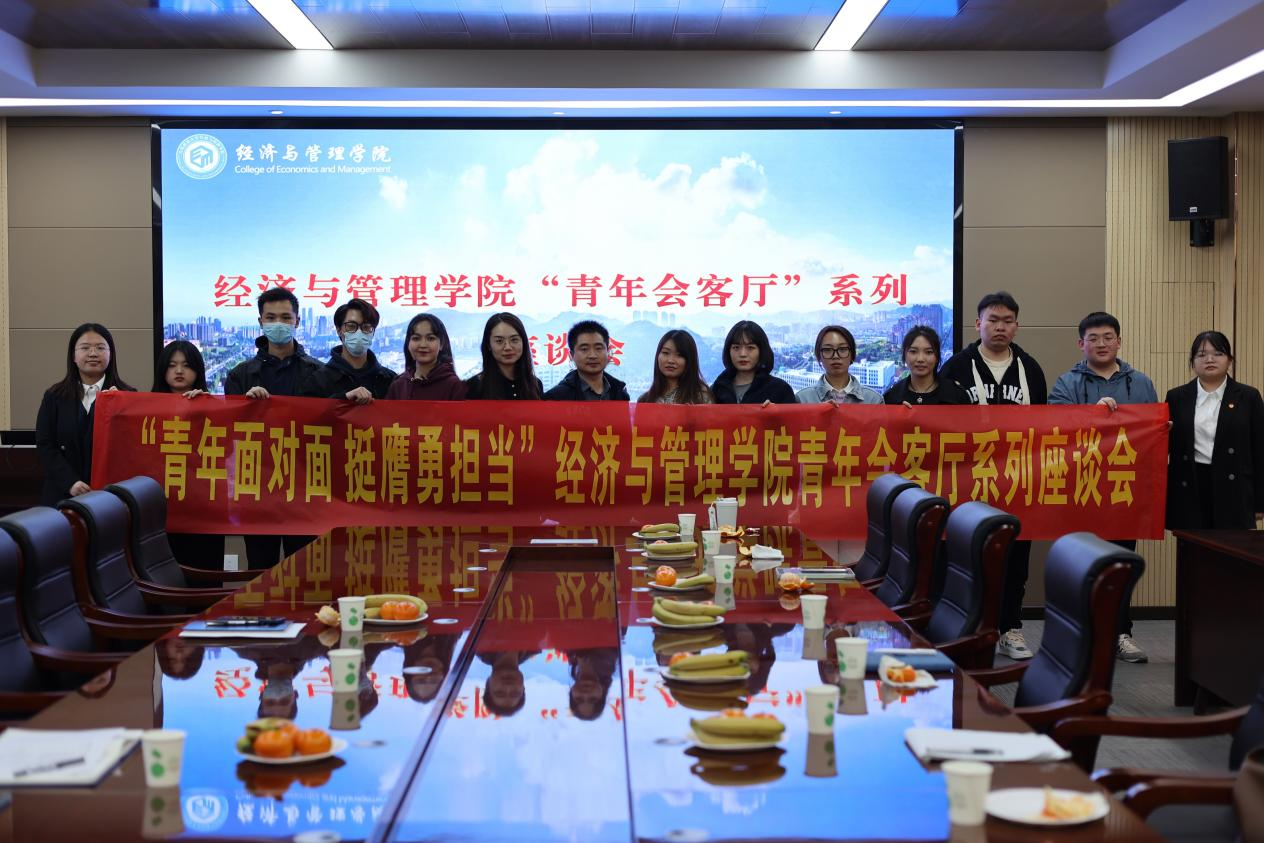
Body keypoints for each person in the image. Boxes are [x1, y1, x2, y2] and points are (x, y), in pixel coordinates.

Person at [941, 291, 1047, 663]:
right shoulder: (956, 367)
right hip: (969, 480)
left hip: (1019, 478)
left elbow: (1047, 424)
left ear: (1016, 326)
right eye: (993, 320)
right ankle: (970, 628)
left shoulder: (1030, 369)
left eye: (1007, 321)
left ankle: (1010, 628)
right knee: (968, 554)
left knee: (1015, 555)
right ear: (978, 324)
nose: (1000, 327)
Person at [1049, 311, 1158, 664]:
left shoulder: (1141, 383)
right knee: (1079, 564)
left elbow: (1152, 432)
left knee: (1120, 564)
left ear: (1119, 342)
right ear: (1080, 344)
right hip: (1081, 489)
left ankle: (1120, 634)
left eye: (1108, 337)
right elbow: (1055, 430)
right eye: (1093, 338)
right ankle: (1079, 634)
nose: (1101, 344)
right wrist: (1091, 415)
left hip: (1125, 489)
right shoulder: (1066, 383)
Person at [223, 288, 322, 569]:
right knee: (259, 571)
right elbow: (227, 432)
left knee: (305, 572)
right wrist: (245, 408)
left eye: (285, 317)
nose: (278, 324)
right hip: (257, 488)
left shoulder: (319, 373)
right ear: (260, 322)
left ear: (297, 321)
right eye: (271, 317)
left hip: (304, 490)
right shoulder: (240, 375)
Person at [1166, 330, 1264, 530]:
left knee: (1231, 547)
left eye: (1218, 353)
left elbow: (1260, 450)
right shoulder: (1176, 397)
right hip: (1191, 486)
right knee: (1193, 546)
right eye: (1201, 355)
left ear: (1229, 360)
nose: (1209, 359)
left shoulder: (1248, 396)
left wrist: (1260, 502)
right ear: (1193, 362)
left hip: (1234, 488)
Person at [35, 323, 136, 506]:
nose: (93, 353)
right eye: (85, 348)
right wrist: (70, 482)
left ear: (111, 354)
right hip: (61, 495)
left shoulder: (127, 396)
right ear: (73, 356)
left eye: (100, 348)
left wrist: (119, 406)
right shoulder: (54, 396)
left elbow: (131, 448)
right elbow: (45, 444)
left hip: (110, 498)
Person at [151, 341, 225, 570]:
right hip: (159, 511)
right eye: (172, 365)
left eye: (186, 365)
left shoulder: (213, 407)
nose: (179, 371)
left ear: (198, 370)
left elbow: (228, 451)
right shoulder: (145, 408)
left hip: (203, 512)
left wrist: (205, 409)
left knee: (204, 577)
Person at [303, 297, 395, 402]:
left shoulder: (390, 380)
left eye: (366, 327)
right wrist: (343, 399)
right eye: (351, 326)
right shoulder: (319, 380)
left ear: (373, 332)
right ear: (339, 330)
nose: (359, 333)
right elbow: (310, 411)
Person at [712, 320, 796, 405]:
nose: (743, 354)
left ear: (761, 351)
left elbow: (792, 413)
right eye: (736, 347)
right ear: (728, 351)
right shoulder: (717, 389)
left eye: (750, 348)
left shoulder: (780, 390)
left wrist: (776, 411)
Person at [386, 312, 466, 400]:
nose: (423, 345)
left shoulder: (453, 385)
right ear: (408, 343)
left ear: (442, 344)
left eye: (430, 338)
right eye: (416, 338)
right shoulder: (398, 385)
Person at [883, 326, 971, 406]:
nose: (920, 359)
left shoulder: (956, 394)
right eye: (913, 351)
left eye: (928, 352)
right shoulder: (891, 397)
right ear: (904, 356)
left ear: (937, 357)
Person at [544, 320, 630, 401]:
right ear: (571, 355)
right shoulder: (555, 397)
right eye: (584, 349)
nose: (592, 355)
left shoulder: (620, 393)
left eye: (598, 348)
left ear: (608, 352)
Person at [795, 325, 882, 404]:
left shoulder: (873, 400)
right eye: (828, 350)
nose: (835, 356)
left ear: (852, 354)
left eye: (842, 349)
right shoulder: (802, 399)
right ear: (819, 355)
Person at [465, 312, 543, 400]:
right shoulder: (475, 386)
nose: (508, 347)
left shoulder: (535, 384)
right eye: (499, 341)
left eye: (514, 340)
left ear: (523, 342)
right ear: (488, 345)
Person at [638, 330, 714, 404]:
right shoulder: (645, 401)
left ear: (690, 360)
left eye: (679, 355)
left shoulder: (700, 397)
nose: (671, 360)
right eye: (665, 353)